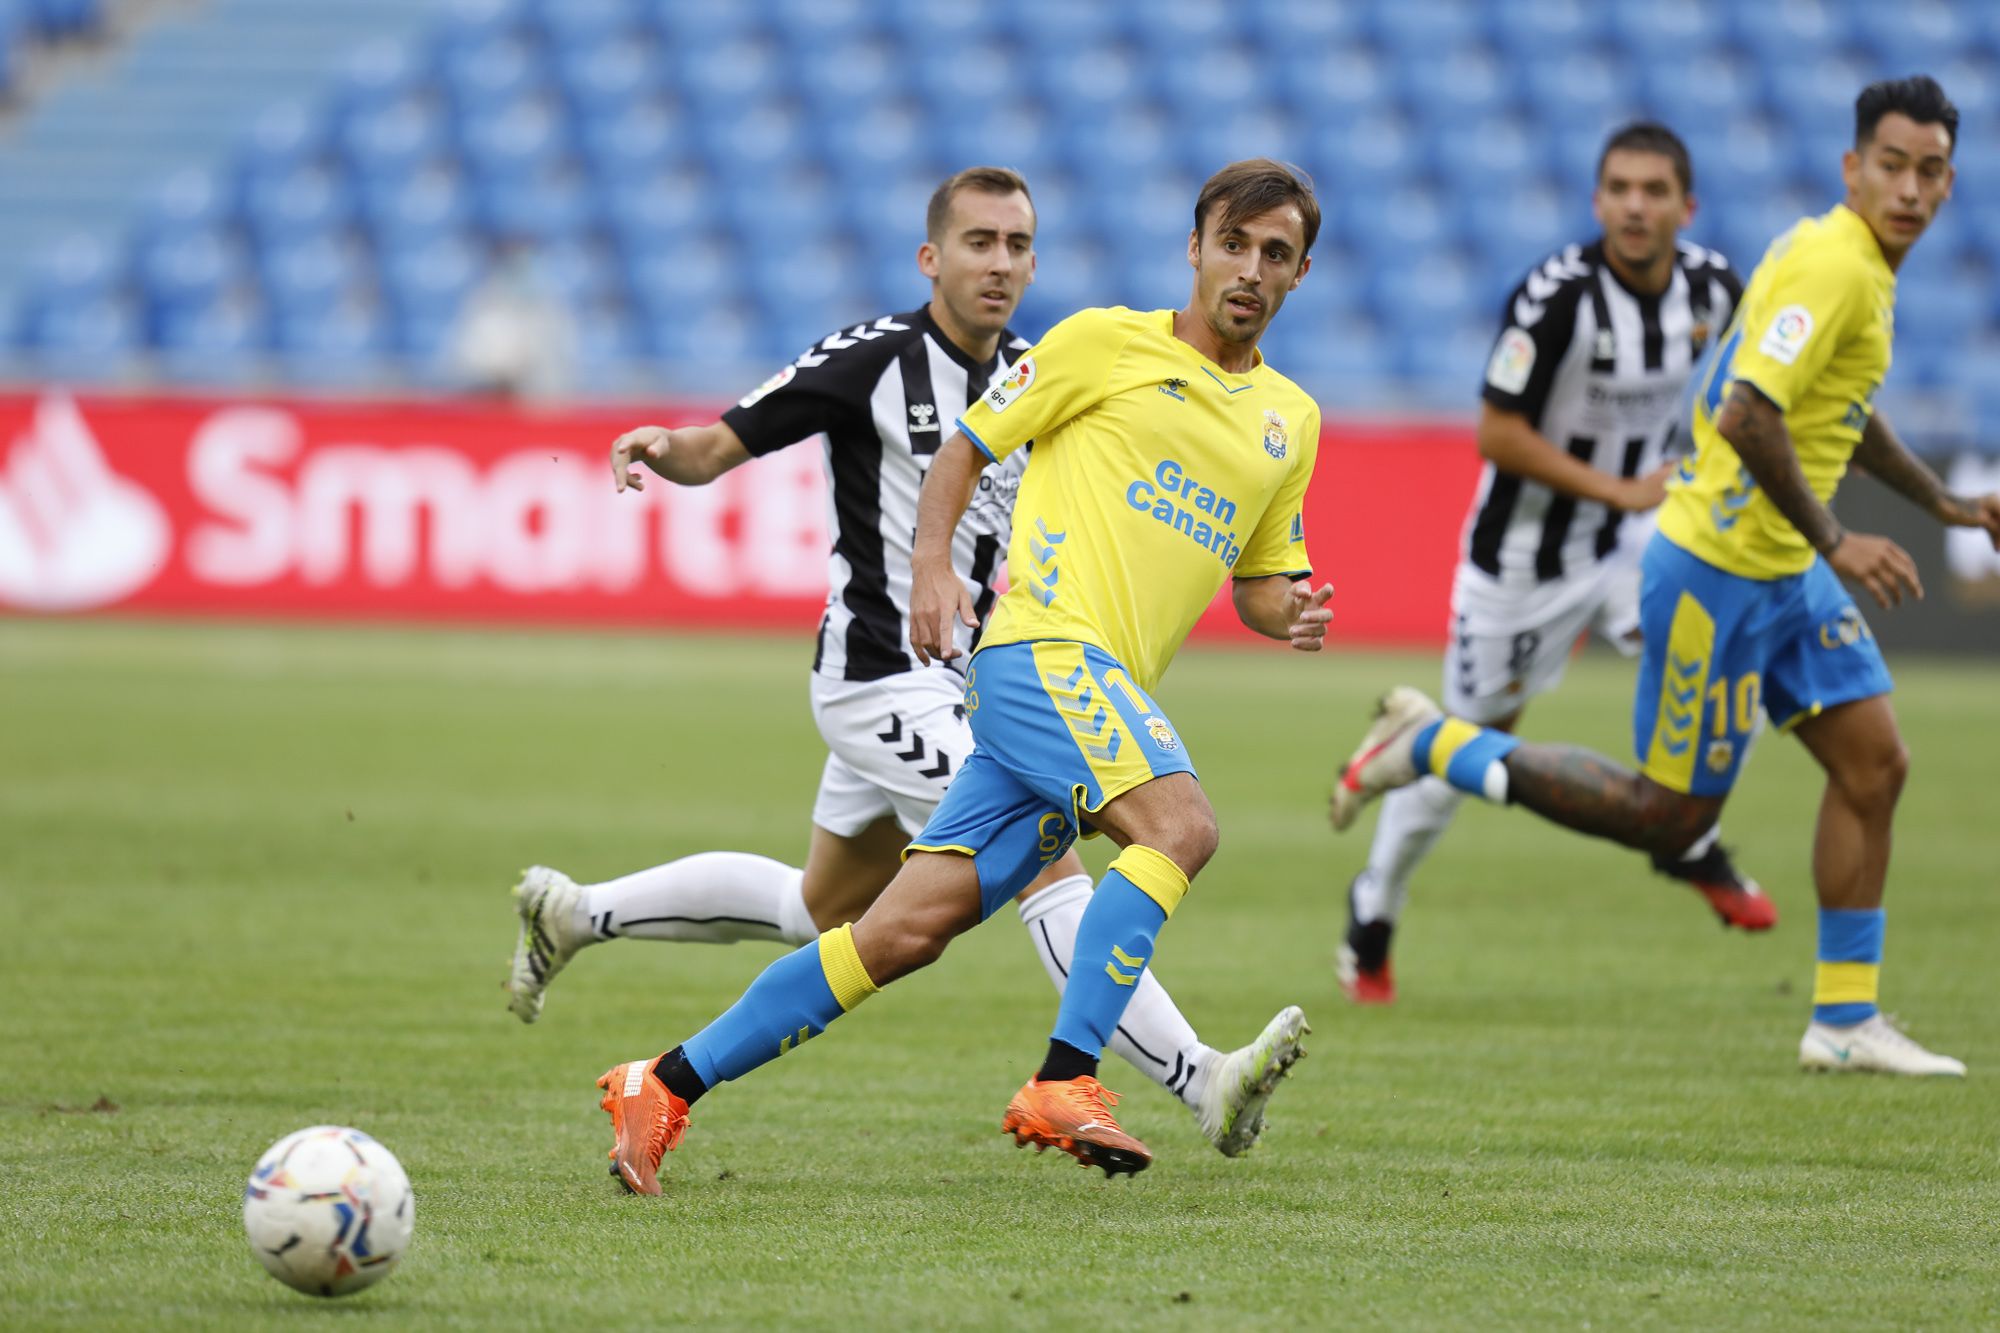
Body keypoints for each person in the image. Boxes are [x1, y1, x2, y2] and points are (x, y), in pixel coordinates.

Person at [506, 166, 1308, 1163]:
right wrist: (674, 452)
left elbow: (1245, 565)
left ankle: (656, 1073)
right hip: (921, 663)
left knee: (866, 924)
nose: (1000, 263)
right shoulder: (920, 356)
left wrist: (1285, 604)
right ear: (932, 256)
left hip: (989, 672)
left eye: (1018, 245)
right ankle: (1146, 1078)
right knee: (1162, 830)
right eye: (980, 241)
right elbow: (741, 444)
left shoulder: (1153, 387)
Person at [1331, 78, 2000, 1075]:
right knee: (1668, 812)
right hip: (1703, 569)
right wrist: (1836, 541)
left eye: (1929, 170)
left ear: (1949, 183)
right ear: (1851, 168)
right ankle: (1434, 745)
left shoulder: (1802, 267)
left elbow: (1835, 410)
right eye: (1890, 165)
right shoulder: (1829, 268)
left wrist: (1942, 506)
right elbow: (1744, 413)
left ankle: (1843, 1017)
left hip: (1749, 561)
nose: (1908, 187)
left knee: (1873, 763)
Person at [1338, 123, 1768, 1007]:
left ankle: (1684, 833)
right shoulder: (1555, 298)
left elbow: (1747, 396)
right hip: (1523, 564)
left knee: (1727, 660)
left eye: (1654, 190)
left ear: (1687, 206)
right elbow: (1496, 430)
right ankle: (1375, 902)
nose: (1635, 205)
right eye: (1619, 188)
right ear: (1598, 200)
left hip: (1636, 541)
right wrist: (1618, 489)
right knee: (1465, 742)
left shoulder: (1718, 289)